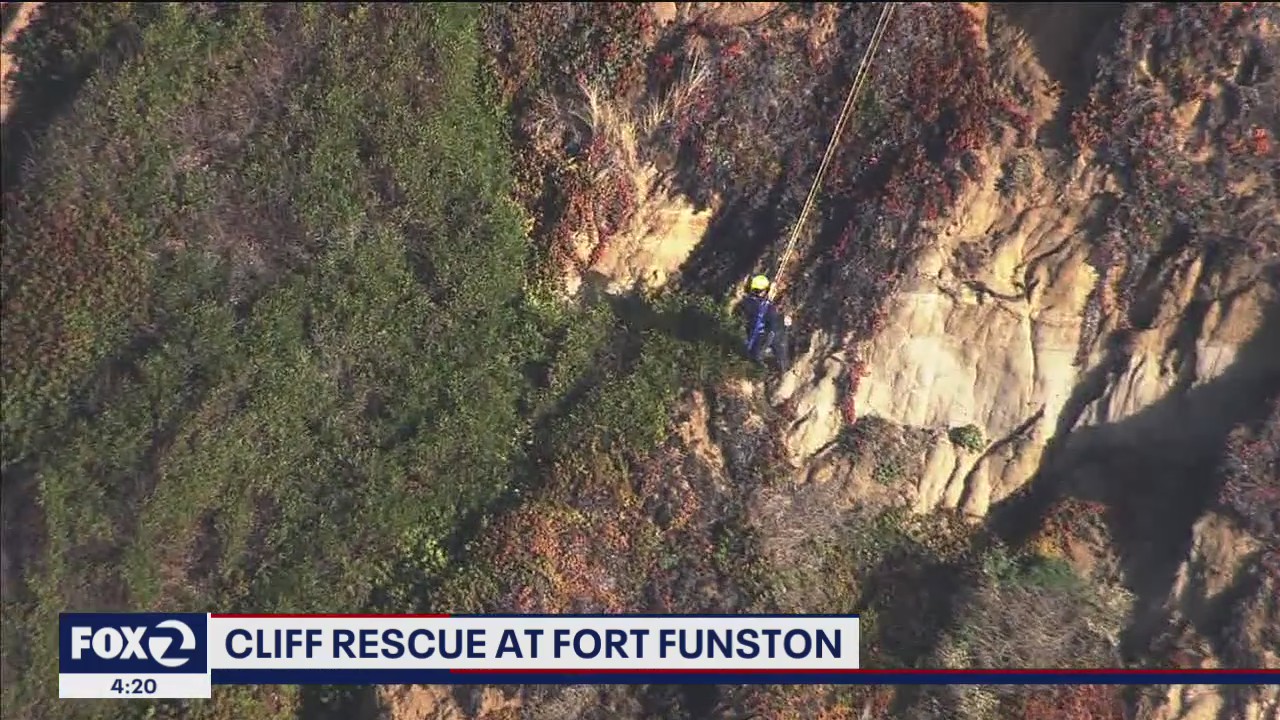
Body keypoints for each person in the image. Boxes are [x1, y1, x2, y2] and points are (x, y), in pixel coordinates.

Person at [739, 274, 790, 371]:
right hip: (760, 348)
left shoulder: (746, 302)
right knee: (780, 331)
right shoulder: (766, 307)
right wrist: (785, 323)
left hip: (751, 345)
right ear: (764, 291)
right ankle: (784, 368)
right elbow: (772, 324)